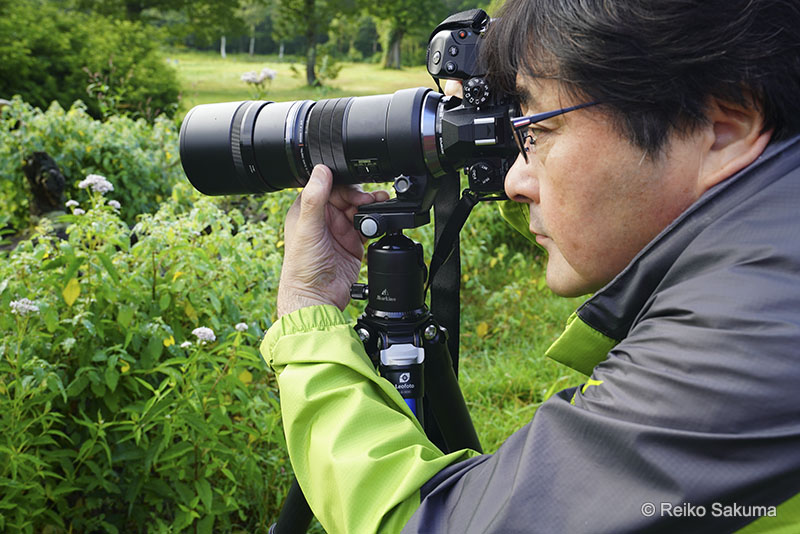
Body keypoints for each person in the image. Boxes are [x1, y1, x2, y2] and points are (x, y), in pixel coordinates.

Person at [261, 0, 800, 531]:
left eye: (537, 131)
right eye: (515, 128)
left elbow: (442, 526)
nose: (514, 182)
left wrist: (309, 321)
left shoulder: (757, 323)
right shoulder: (770, 246)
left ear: (722, 129)